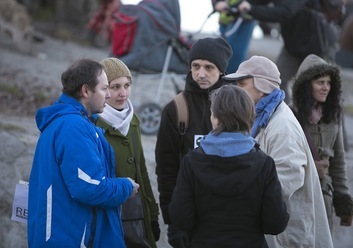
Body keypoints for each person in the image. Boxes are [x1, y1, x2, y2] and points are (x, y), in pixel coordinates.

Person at [223, 55, 334, 248]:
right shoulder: (262, 115)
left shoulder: (282, 126)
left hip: (286, 236)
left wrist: (239, 202)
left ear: (263, 86)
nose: (237, 91)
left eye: (242, 84)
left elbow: (283, 183)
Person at [27, 58, 140, 247]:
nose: (108, 95)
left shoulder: (75, 122)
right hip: (69, 239)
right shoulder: (72, 127)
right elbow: (90, 188)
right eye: (104, 89)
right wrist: (126, 186)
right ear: (86, 90)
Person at [168, 85, 290, 247]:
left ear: (216, 118)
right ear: (249, 118)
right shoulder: (264, 164)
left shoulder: (191, 161)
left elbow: (181, 218)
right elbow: (275, 224)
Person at [155, 37, 232, 248]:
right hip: (187, 213)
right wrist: (171, 220)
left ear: (222, 70)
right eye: (195, 66)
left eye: (209, 67)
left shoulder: (235, 107)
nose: (201, 73)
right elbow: (166, 168)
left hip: (228, 215)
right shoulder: (176, 109)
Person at [95, 57, 161, 247]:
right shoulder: (93, 123)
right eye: (115, 87)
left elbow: (141, 170)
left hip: (136, 214)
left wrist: (152, 214)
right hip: (107, 213)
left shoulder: (133, 121)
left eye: (127, 85)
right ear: (104, 88)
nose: (123, 93)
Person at [291, 54, 353, 234]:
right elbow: (282, 159)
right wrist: (311, 168)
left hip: (324, 196)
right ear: (307, 85)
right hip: (298, 196)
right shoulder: (289, 115)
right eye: (320, 82)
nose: (326, 87)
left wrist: (343, 199)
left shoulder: (333, 116)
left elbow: (339, 160)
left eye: (328, 83)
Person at [237, 0, 340, 103]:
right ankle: (286, 113)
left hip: (319, 45)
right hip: (293, 45)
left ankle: (328, 117)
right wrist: (239, 5)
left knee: (323, 88)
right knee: (276, 81)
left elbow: (285, 12)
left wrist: (251, 9)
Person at [212, 0, 256, 73]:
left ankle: (231, 80)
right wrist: (217, 2)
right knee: (222, 52)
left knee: (235, 55)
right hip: (226, 16)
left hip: (244, 18)